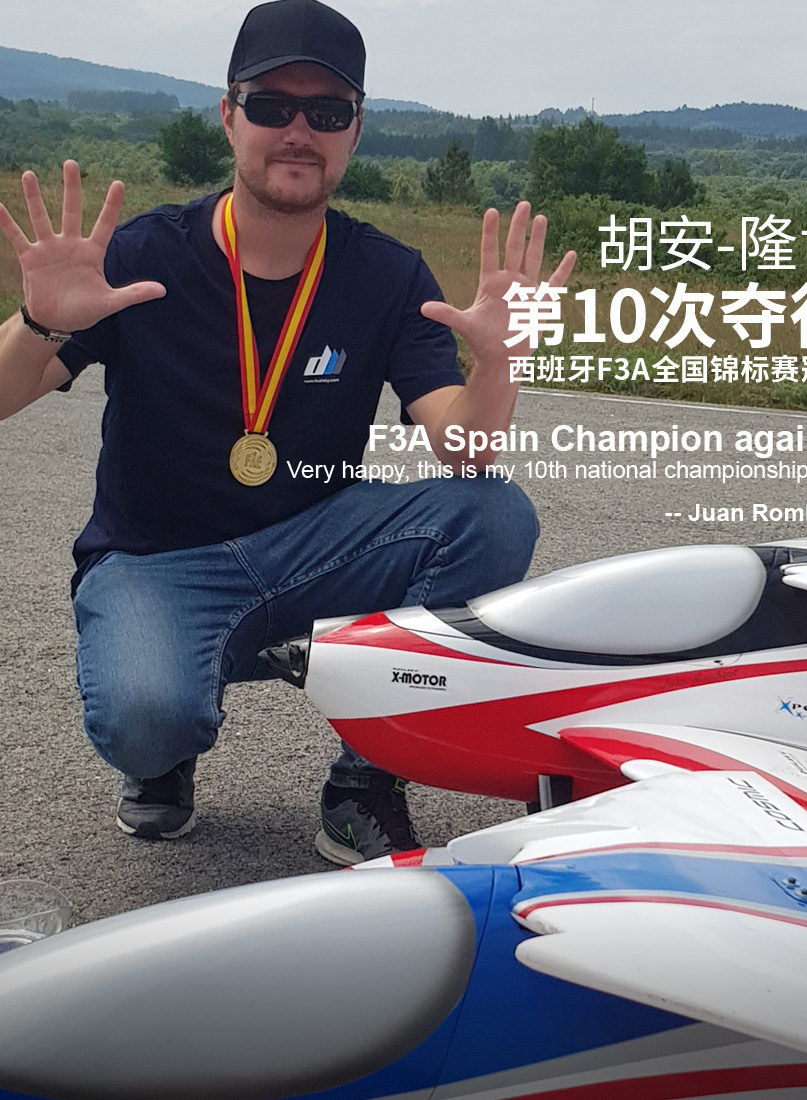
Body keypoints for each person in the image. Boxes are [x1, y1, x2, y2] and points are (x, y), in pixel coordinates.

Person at [0, 0, 575, 865]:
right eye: (271, 105)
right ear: (229, 115)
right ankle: (166, 746)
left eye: (327, 111)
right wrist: (41, 322)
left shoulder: (386, 274)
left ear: (356, 129)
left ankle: (365, 782)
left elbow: (465, 447)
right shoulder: (145, 254)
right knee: (146, 717)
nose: (298, 131)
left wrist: (496, 365)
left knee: (491, 513)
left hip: (314, 549)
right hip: (158, 561)